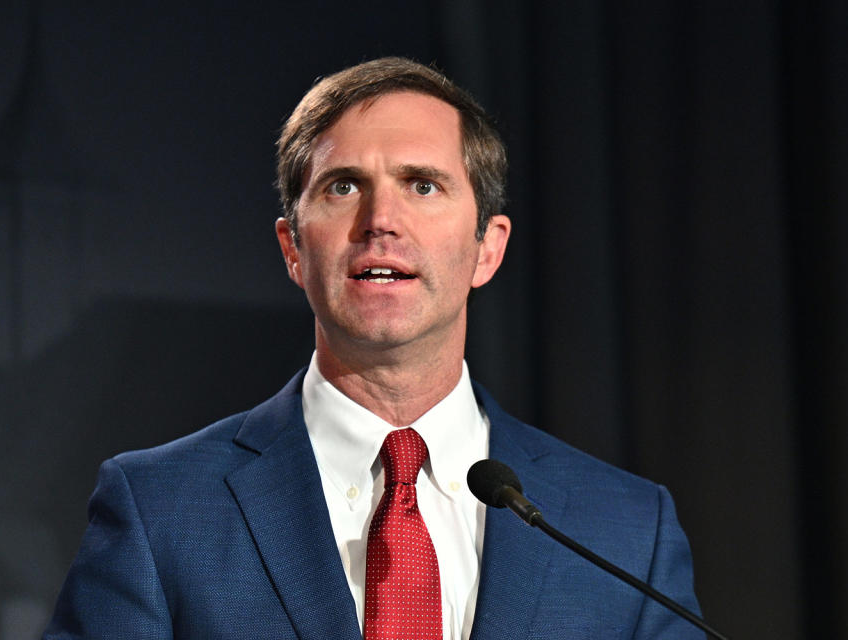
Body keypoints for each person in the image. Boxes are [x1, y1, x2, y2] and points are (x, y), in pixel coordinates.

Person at [44, 57, 704, 639]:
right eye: (343, 186)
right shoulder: (160, 510)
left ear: (488, 247)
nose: (380, 220)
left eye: (422, 184)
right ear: (293, 248)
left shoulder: (623, 530)